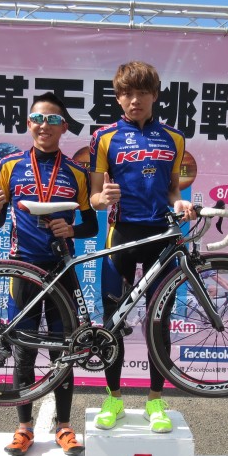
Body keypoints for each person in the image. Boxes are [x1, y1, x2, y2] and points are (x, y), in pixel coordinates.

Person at [0, 91, 98, 456]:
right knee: (24, 352)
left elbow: (92, 226)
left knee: (64, 352)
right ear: (28, 123)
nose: (44, 125)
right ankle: (23, 429)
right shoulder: (9, 166)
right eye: (37, 118)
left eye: (52, 120)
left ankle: (64, 426)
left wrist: (72, 230)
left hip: (61, 271)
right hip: (23, 269)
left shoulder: (77, 172)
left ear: (64, 127)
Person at [89, 61, 195, 434]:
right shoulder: (103, 137)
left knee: (159, 321)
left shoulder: (175, 138)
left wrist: (180, 202)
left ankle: (155, 401)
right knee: (112, 321)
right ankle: (114, 398)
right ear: (118, 98)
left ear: (154, 95)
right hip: (122, 237)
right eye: (127, 94)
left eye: (142, 93)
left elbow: (173, 189)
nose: (135, 100)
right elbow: (94, 198)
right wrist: (103, 198)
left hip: (162, 237)